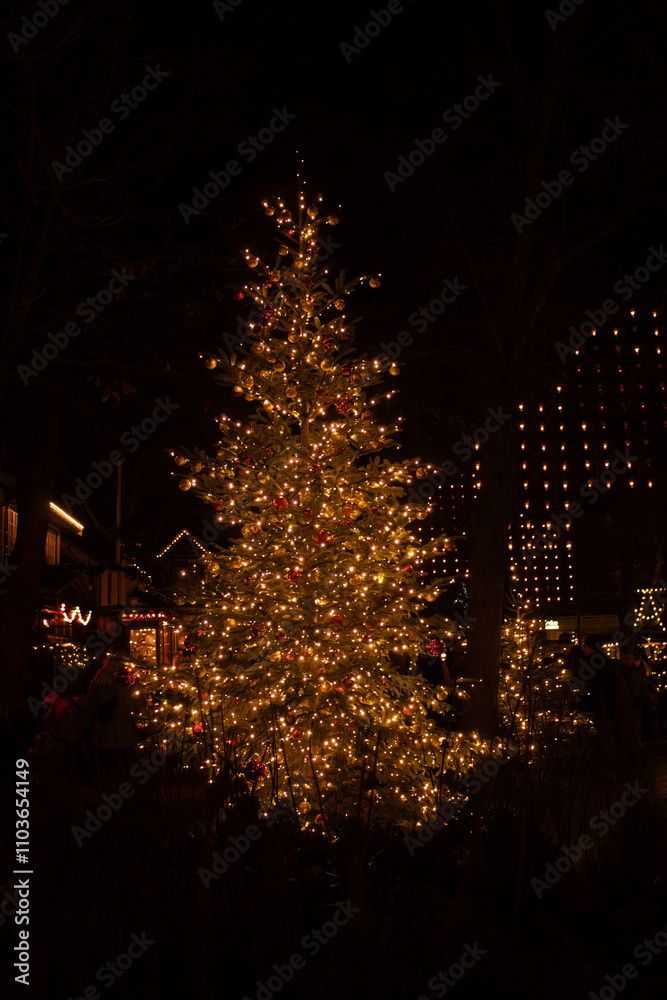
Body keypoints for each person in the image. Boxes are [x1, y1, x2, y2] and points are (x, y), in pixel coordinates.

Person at [580, 635, 617, 768]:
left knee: (601, 737)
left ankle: (604, 764)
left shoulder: (592, 662)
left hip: (598, 705)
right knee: (606, 737)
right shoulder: (605, 661)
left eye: (586, 645)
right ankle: (606, 763)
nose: (584, 647)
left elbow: (590, 683)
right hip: (605, 705)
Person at [615, 646, 654, 769]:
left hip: (635, 707)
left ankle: (635, 753)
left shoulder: (637, 673)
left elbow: (643, 688)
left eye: (629, 659)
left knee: (636, 729)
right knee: (625, 730)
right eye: (625, 658)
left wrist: (651, 702)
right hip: (622, 706)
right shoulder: (617, 673)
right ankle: (628, 754)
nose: (627, 661)